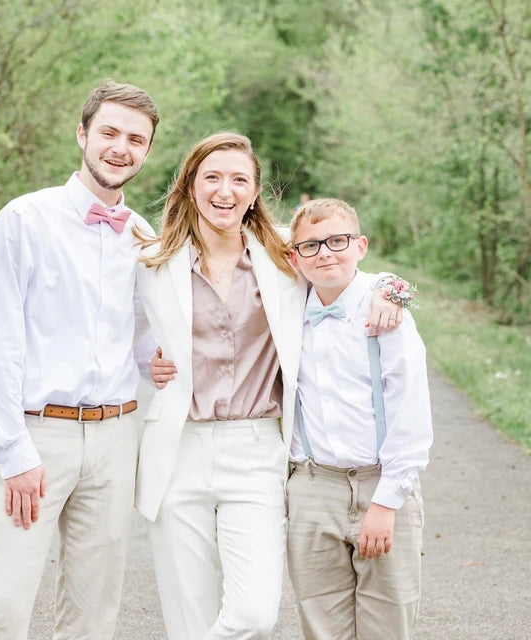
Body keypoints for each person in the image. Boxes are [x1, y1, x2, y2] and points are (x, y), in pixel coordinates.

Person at [136, 133, 402, 640]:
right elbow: (113, 331)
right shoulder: (152, 258)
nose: (225, 190)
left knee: (254, 614)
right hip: (178, 448)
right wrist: (148, 365)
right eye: (211, 176)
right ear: (190, 185)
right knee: (187, 618)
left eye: (240, 179)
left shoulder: (283, 254)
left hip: (256, 450)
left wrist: (391, 289)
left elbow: (343, 260)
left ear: (255, 191)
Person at [0, 80, 159, 640]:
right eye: (109, 133)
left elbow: (146, 341)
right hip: (37, 437)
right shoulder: (25, 220)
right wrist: (12, 450)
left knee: (93, 613)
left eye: (135, 139)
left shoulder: (143, 237)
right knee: (5, 605)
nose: (120, 147)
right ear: (82, 135)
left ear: (147, 151)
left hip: (115, 439)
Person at [286, 198, 433, 640]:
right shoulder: (287, 306)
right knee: (320, 624)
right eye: (310, 246)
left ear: (361, 245)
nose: (325, 252)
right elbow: (246, 232)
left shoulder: (385, 311)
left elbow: (411, 414)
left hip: (381, 483)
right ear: (294, 258)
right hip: (313, 486)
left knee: (388, 620)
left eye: (338, 241)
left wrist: (386, 502)